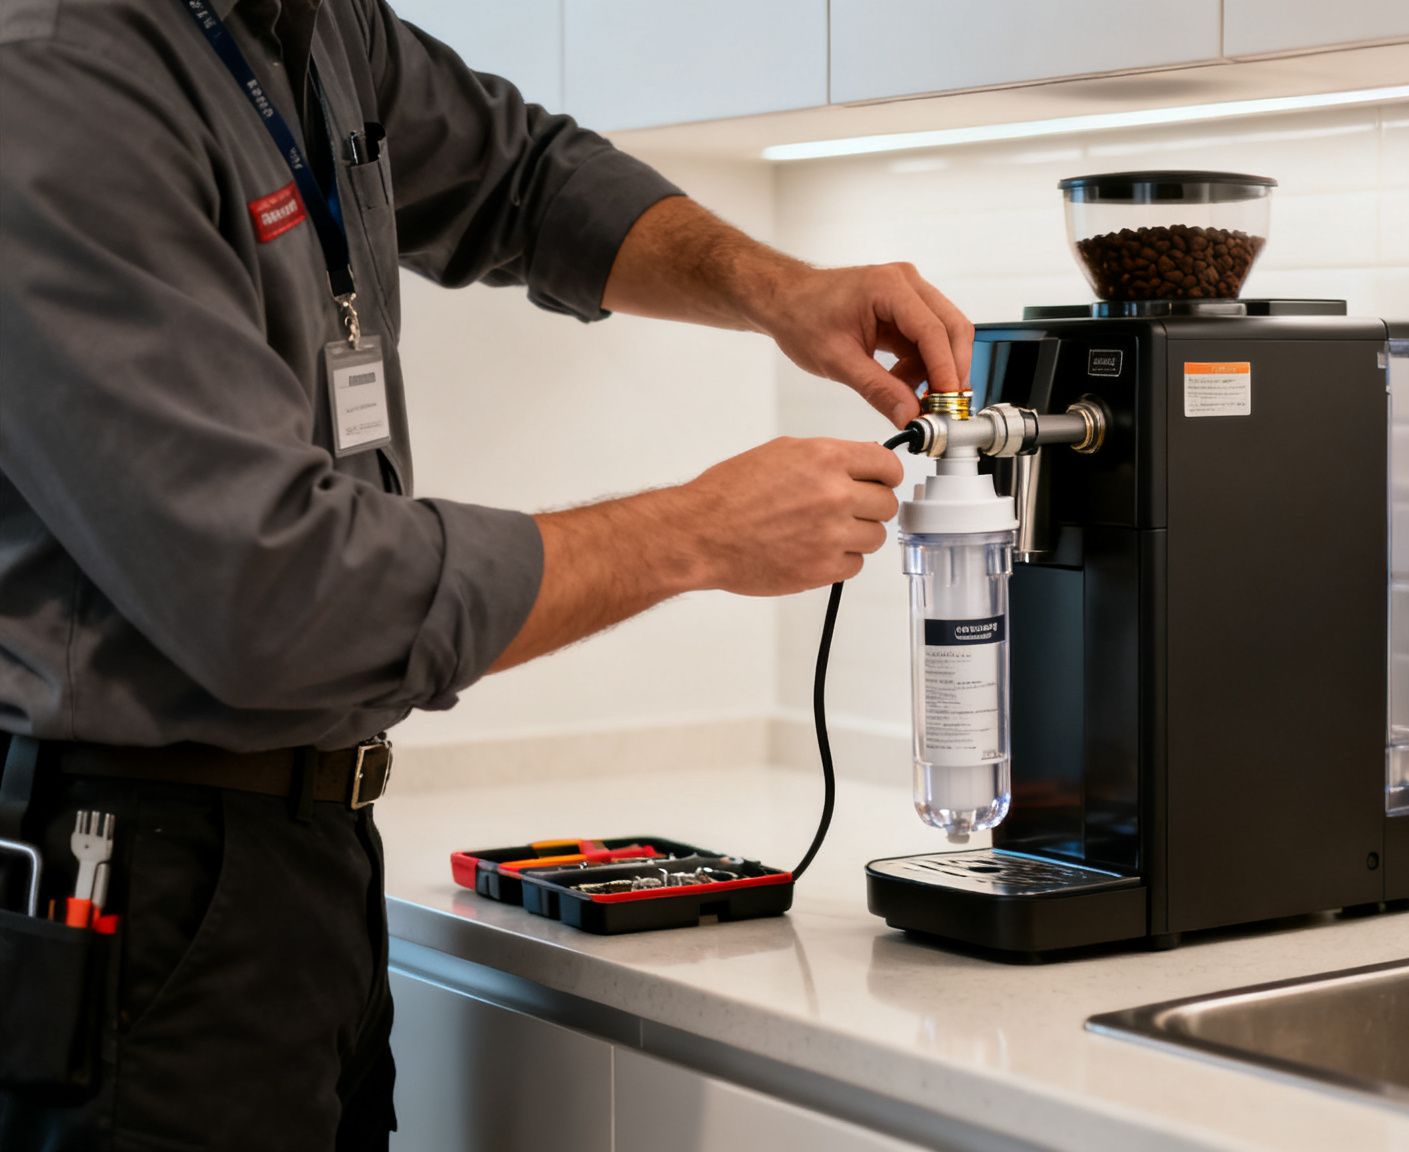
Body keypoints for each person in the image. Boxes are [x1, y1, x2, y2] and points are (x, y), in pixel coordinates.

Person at [0, 0, 974, 1146]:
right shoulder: (54, 86)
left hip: (309, 857)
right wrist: (696, 533)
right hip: (140, 873)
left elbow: (525, 179)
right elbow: (275, 598)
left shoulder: (315, 27)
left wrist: (778, 288)